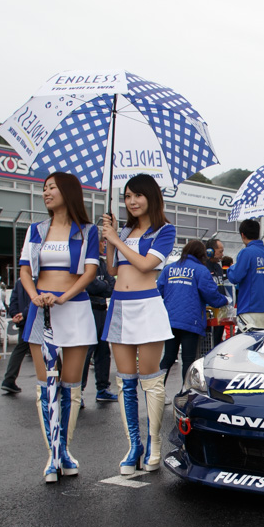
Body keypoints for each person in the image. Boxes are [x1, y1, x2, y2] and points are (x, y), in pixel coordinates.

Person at [19, 171, 100, 482]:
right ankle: (52, 456)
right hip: (41, 311)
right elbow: (25, 270)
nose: (46, 193)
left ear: (68, 192)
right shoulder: (36, 230)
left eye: (51, 187)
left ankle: (64, 449)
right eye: (44, 188)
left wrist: (63, 297)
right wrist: (35, 297)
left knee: (70, 387)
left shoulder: (87, 231)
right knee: (45, 387)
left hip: (74, 310)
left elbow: (90, 272)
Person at [102, 174, 175, 475]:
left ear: (151, 197)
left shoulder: (164, 230)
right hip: (119, 306)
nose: (132, 201)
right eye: (128, 196)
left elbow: (146, 265)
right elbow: (111, 270)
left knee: (150, 379)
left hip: (147, 307)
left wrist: (116, 239)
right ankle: (134, 446)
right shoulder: (124, 230)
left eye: (138, 195)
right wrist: (108, 240)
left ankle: (154, 443)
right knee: (125, 381)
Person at [158, 239, 229, 385]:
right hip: (191, 320)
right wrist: (226, 300)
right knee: (188, 359)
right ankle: (186, 391)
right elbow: (212, 296)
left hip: (170, 320)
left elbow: (159, 291)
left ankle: (156, 390)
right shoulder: (200, 270)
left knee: (168, 357)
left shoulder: (169, 269)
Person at [81, 235, 118, 403]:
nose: (104, 245)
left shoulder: (103, 264)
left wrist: (102, 287)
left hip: (102, 310)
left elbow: (112, 287)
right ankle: (78, 392)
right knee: (85, 352)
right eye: (102, 242)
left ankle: (102, 388)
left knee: (103, 351)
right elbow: (90, 284)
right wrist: (104, 286)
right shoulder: (86, 262)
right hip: (88, 310)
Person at [227, 219, 264, 331]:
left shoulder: (246, 252)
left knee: (244, 341)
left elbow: (235, 277)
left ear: (242, 235)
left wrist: (230, 269)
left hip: (249, 311)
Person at [1, 283, 32, 394]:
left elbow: (13, 300)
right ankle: (58, 376)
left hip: (24, 320)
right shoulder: (39, 278)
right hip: (35, 318)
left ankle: (9, 379)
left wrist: (15, 314)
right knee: (50, 347)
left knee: (20, 349)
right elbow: (35, 299)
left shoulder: (20, 282)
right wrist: (23, 314)